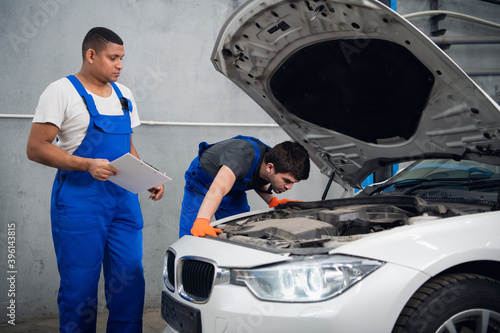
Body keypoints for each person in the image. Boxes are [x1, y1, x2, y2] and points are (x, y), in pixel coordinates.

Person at [26, 27, 164, 333]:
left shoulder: (123, 94)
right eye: (113, 57)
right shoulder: (61, 91)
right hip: (80, 202)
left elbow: (126, 143)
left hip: (124, 201)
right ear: (91, 55)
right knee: (80, 287)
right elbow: (35, 148)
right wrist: (86, 164)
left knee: (130, 281)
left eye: (122, 58)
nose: (120, 65)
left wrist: (145, 175)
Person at [179, 135, 310, 238]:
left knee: (240, 234)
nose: (289, 187)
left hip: (233, 193)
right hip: (202, 186)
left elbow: (257, 178)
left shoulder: (273, 160)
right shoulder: (241, 157)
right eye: (286, 180)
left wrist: (272, 200)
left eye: (293, 183)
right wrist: (202, 219)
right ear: (270, 167)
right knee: (192, 237)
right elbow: (218, 188)